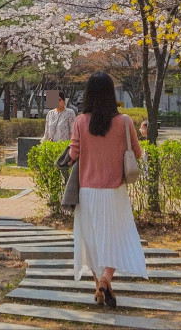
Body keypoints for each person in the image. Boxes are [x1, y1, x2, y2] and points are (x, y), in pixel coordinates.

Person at [69, 72, 147, 309]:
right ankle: (105, 282)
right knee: (117, 237)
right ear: (112, 93)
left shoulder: (81, 121)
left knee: (91, 240)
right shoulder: (124, 121)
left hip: (88, 191)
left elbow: (74, 154)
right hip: (114, 191)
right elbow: (138, 153)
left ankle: (99, 285)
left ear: (88, 94)